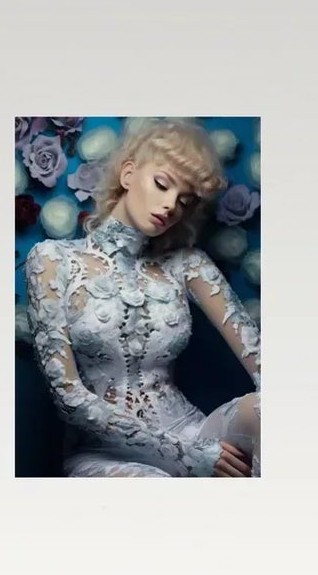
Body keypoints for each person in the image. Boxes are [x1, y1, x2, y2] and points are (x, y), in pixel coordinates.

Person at [23, 119, 261, 478]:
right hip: (103, 453)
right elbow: (68, 396)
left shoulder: (187, 265)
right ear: (129, 174)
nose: (170, 206)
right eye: (162, 184)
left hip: (194, 432)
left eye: (185, 200)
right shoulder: (52, 260)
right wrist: (188, 457)